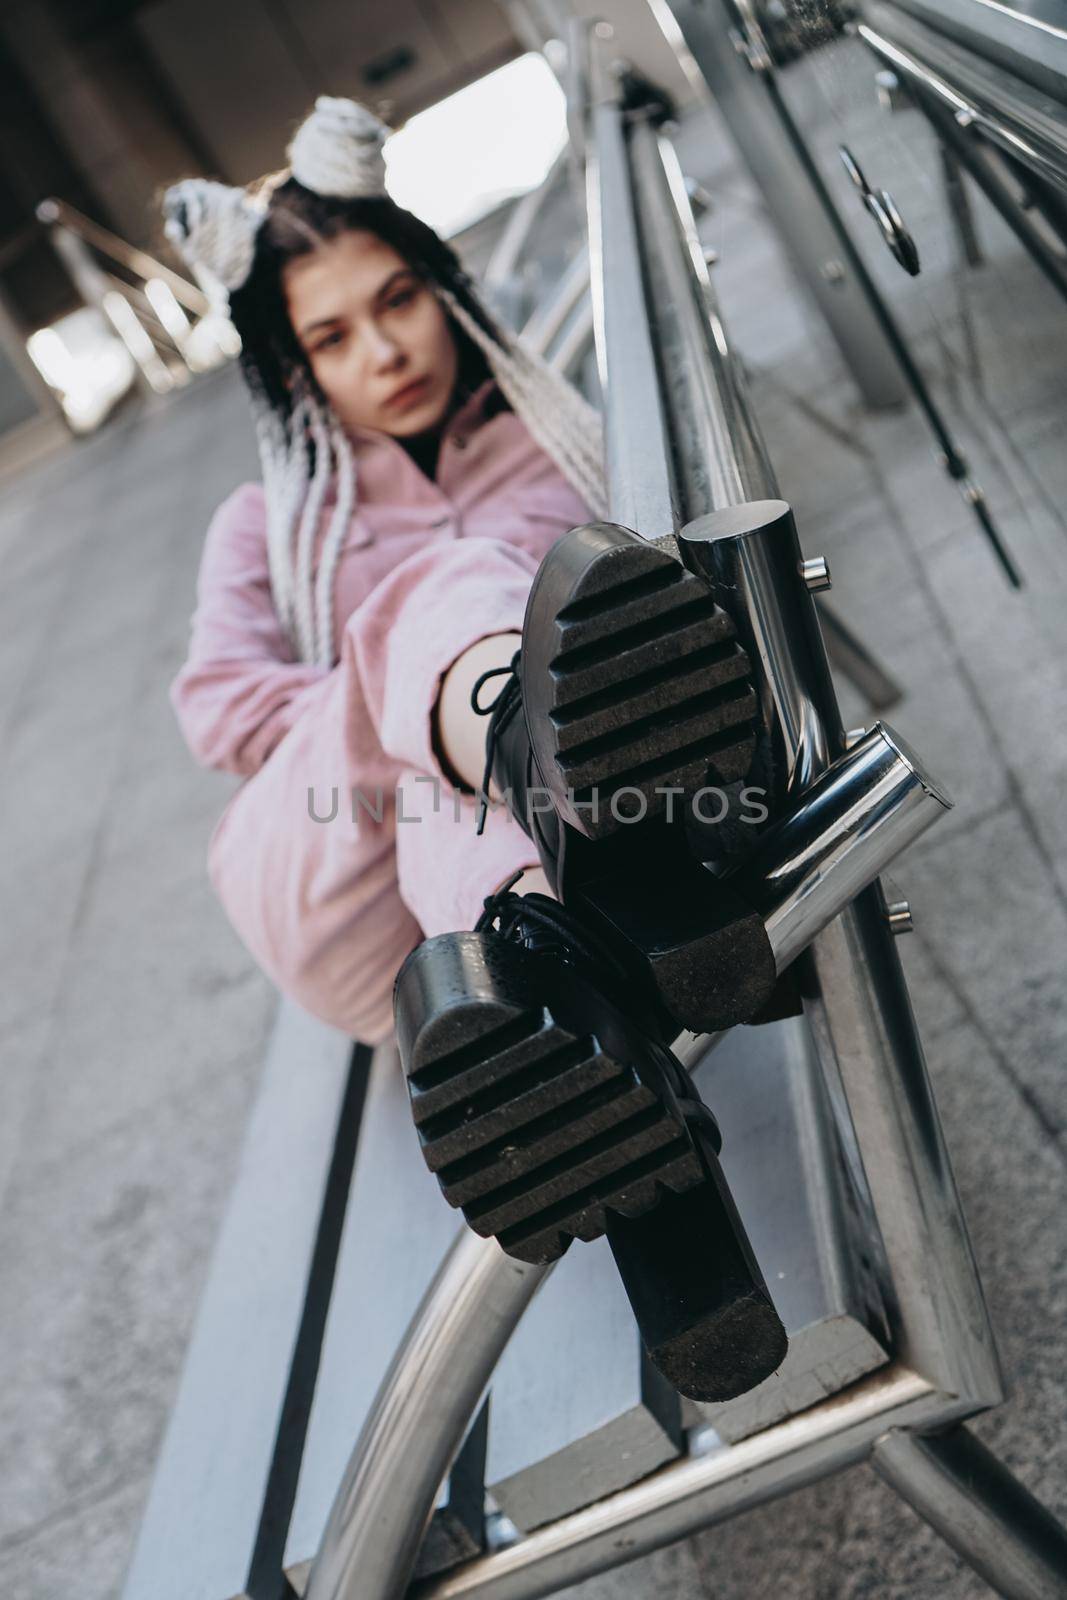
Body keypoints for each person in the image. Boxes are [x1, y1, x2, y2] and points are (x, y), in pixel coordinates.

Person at [164, 97, 786, 1402]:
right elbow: (220, 709)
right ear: (293, 370)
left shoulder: (543, 445)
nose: (386, 350)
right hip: (341, 897)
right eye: (333, 335)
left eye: (399, 299)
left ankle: (680, 1250)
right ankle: (515, 741)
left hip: (497, 964)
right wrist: (394, 709)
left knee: (504, 810)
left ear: (443, 287)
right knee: (446, 614)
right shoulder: (259, 523)